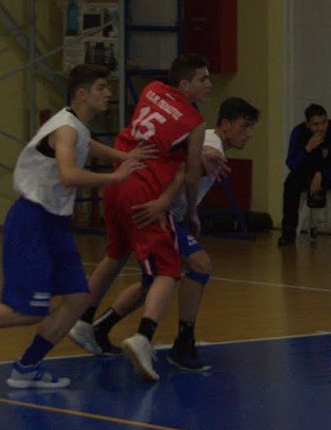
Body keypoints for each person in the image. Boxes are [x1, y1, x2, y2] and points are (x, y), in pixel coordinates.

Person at [0, 63, 148, 388]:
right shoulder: (66, 128)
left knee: (79, 299)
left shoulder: (76, 125)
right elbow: (68, 175)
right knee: (28, 311)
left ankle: (27, 367)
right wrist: (115, 176)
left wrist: (121, 156)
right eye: (101, 88)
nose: (108, 93)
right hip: (33, 219)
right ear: (82, 93)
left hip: (56, 222)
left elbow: (87, 144)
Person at [75, 97, 259, 372]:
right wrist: (174, 202)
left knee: (152, 282)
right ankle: (182, 344)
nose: (249, 133)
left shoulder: (209, 141)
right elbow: (187, 167)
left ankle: (100, 326)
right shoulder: (212, 144)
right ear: (225, 124)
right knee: (199, 265)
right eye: (244, 126)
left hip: (157, 207)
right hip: (164, 212)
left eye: (252, 127)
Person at [102, 54, 209, 382]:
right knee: (169, 270)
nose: (208, 85)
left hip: (117, 178)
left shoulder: (151, 89)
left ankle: (89, 322)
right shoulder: (195, 122)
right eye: (203, 79)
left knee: (117, 257)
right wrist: (191, 212)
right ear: (185, 84)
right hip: (145, 190)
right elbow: (191, 173)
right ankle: (144, 337)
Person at [279, 103, 331, 245]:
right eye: (315, 125)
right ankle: (288, 232)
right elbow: (291, 163)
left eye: (323, 123)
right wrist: (307, 148)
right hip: (306, 173)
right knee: (291, 183)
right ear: (307, 124)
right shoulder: (298, 132)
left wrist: (322, 174)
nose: (320, 128)